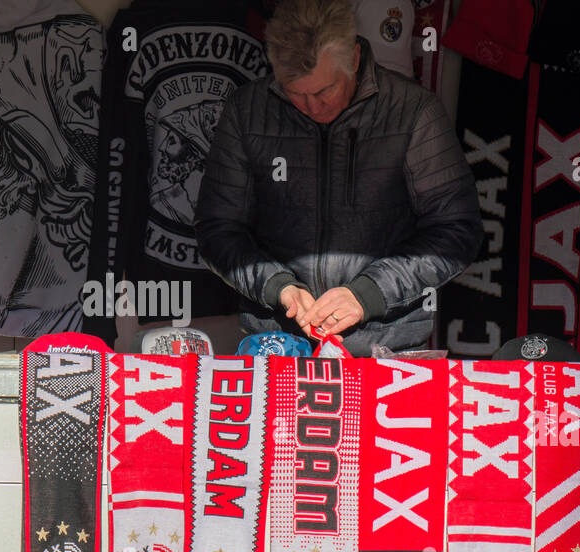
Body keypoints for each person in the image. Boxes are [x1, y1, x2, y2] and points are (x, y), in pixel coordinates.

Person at [195, 0, 482, 353]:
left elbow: (457, 230)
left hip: (389, 345)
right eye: (294, 92)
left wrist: (368, 294)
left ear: (355, 59)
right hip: (275, 344)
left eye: (324, 91)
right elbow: (217, 229)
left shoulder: (412, 112)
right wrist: (277, 287)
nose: (312, 107)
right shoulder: (247, 111)